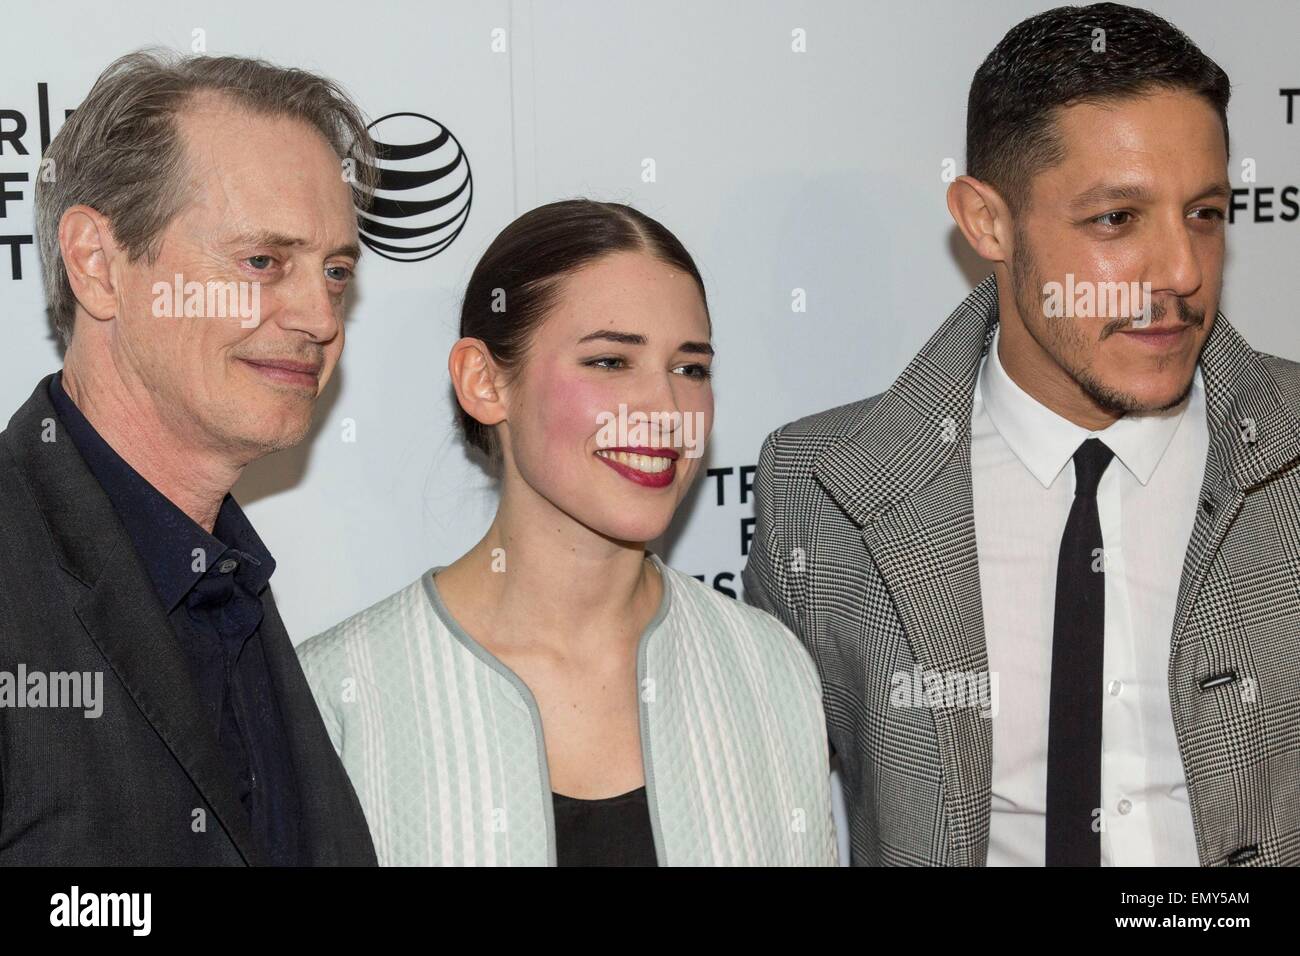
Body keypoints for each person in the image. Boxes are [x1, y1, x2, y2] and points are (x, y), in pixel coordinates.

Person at [744, 2, 1300, 866]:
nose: (1184, 272)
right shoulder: (816, 493)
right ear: (986, 222)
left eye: (1204, 214)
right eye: (1117, 220)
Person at [298, 199, 837, 866]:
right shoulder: (338, 696)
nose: (667, 410)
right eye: (611, 362)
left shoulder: (767, 669)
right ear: (485, 381)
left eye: (690, 368)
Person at [0, 50, 378, 865]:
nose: (319, 316)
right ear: (99, 265)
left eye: (336, 271)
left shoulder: (229, 581)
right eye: (262, 263)